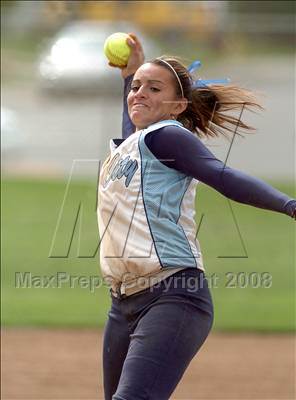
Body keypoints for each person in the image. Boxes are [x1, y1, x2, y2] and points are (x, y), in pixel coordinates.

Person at [97, 34, 296, 400]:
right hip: (122, 304)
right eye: (137, 87)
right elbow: (135, 135)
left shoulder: (168, 136)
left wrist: (290, 204)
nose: (139, 93)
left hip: (173, 297)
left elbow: (223, 176)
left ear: (177, 106)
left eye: (153, 88)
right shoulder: (137, 144)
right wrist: (129, 75)